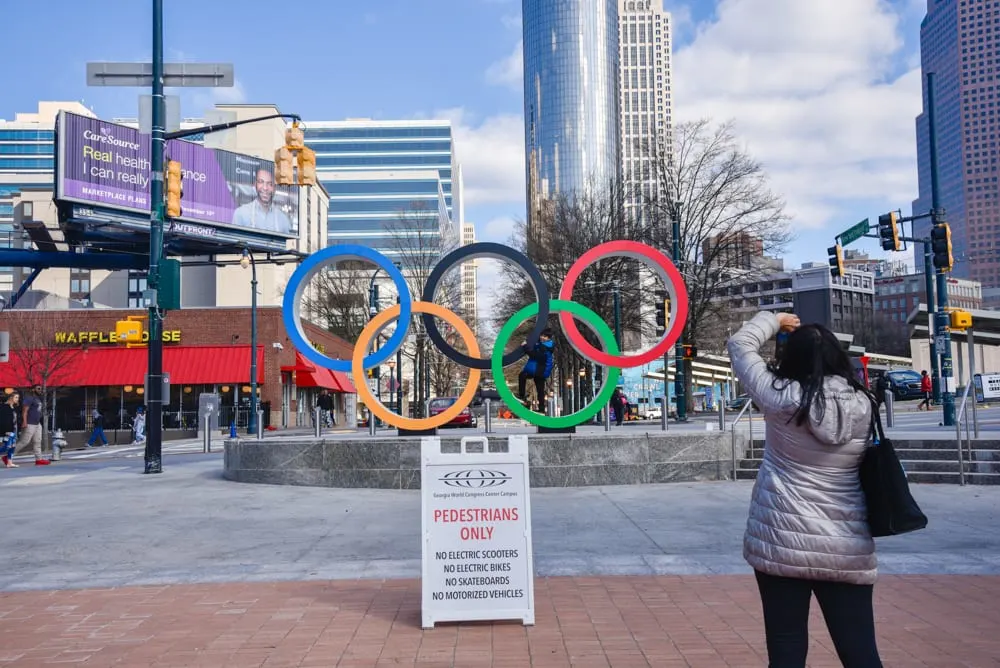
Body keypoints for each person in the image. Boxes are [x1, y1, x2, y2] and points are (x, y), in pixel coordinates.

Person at [727, 311, 883, 667]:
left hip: (781, 542)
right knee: (860, 651)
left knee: (786, 651)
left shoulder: (779, 398)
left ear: (790, 359)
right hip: (845, 543)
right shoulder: (864, 404)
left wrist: (774, 318)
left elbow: (740, 344)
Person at [232, 167, 293, 234]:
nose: (265, 188)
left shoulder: (284, 220)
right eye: (261, 182)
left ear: (275, 188)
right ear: (255, 184)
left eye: (270, 184)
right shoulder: (241, 213)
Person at [517, 328, 554, 411]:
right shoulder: (543, 344)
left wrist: (525, 346)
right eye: (542, 335)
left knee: (523, 376)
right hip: (539, 370)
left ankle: (522, 396)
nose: (542, 337)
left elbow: (534, 355)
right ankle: (541, 409)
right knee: (540, 390)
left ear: (549, 338)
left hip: (540, 370)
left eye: (545, 336)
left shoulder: (545, 347)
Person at [15, 386, 48, 466]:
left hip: (37, 424)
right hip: (30, 423)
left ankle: (39, 459)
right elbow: (24, 411)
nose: (41, 390)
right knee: (24, 441)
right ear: (33, 389)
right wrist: (25, 422)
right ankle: (8, 456)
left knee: (37, 441)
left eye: (41, 388)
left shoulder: (38, 399)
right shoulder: (29, 398)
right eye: (38, 388)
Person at [0, 391, 19, 468]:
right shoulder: (4, 407)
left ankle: (9, 463)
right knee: (7, 446)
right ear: (11, 398)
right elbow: (3, 420)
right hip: (7, 430)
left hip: (13, 429)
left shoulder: (13, 407)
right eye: (16, 397)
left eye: (18, 397)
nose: (17, 399)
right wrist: (6, 431)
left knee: (12, 446)